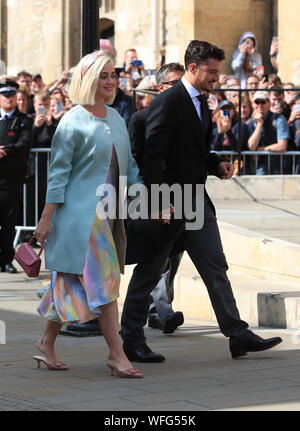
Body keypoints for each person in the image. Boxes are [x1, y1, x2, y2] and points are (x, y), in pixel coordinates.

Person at [121, 40, 282, 363]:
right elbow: (152, 157)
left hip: (196, 203)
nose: (216, 78)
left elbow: (195, 150)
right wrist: (157, 202)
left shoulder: (202, 101)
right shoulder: (168, 103)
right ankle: (131, 338)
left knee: (215, 266)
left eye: (218, 72)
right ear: (193, 69)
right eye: (211, 71)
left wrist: (215, 164)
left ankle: (237, 334)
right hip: (168, 205)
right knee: (150, 271)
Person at [33, 51, 143, 378]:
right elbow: (58, 174)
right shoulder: (72, 120)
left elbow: (131, 168)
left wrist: (149, 200)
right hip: (79, 218)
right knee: (106, 280)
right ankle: (117, 354)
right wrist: (46, 218)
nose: (110, 81)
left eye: (113, 75)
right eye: (103, 76)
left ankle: (45, 343)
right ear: (88, 79)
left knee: (68, 283)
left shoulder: (117, 117)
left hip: (107, 216)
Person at [129, 62, 185, 333]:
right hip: (153, 199)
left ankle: (156, 311)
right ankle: (161, 313)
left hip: (184, 198)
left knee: (173, 259)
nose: (182, 89)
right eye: (175, 84)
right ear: (160, 88)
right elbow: (135, 162)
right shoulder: (141, 119)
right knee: (157, 260)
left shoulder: (189, 118)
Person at [0, 79, 32, 273]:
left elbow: (24, 145)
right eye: (5, 94)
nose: (9, 98)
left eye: (12, 94)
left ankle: (5, 259)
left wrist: (5, 151)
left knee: (8, 221)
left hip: (11, 179)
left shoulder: (23, 120)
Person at [248, 90, 290, 175]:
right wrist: (259, 124)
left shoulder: (279, 119)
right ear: (253, 104)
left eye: (263, 102)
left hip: (280, 165)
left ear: (269, 103)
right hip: (261, 166)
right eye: (257, 102)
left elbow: (282, 146)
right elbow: (251, 147)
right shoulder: (252, 122)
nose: (259, 105)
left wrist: (262, 149)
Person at [211, 100, 250, 175]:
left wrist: (228, 130)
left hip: (237, 167)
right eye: (223, 109)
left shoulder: (240, 125)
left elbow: (237, 148)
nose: (226, 111)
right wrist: (220, 133)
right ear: (219, 112)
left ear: (233, 111)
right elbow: (215, 148)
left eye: (229, 109)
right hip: (221, 167)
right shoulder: (216, 127)